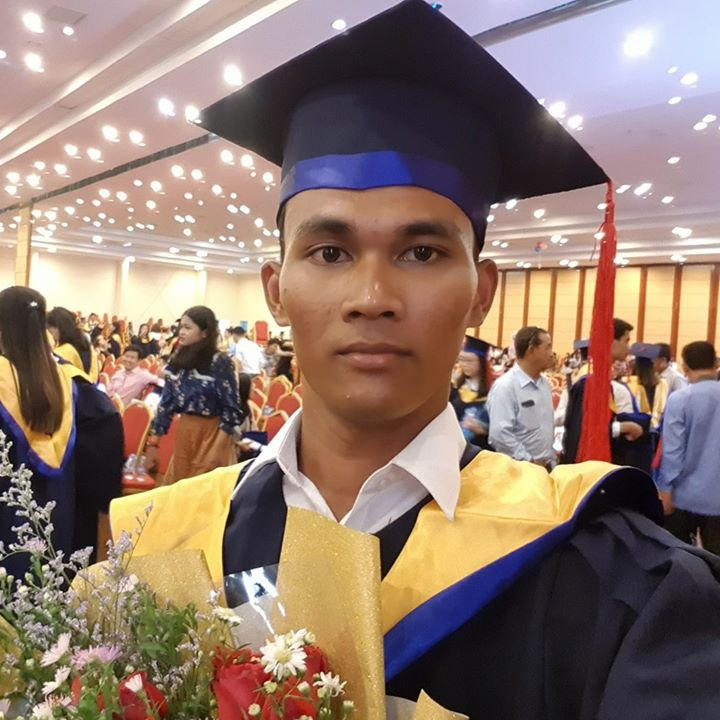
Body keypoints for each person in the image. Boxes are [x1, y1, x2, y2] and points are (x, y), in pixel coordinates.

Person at [110, 3, 720, 717]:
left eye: (422, 253)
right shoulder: (160, 546)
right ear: (276, 291)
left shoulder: (617, 586)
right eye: (329, 252)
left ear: (481, 293)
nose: (372, 298)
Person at [0, 287, 122, 574]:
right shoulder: (68, 380)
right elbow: (106, 431)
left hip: (7, 510)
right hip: (58, 510)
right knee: (47, 577)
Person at [148, 306, 244, 483]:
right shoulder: (178, 360)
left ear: (205, 332)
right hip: (185, 431)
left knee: (205, 487)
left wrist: (217, 450)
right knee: (180, 486)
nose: (181, 332)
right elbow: (166, 403)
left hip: (213, 434)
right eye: (181, 327)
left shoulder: (219, 362)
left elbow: (231, 409)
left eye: (188, 327)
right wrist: (153, 443)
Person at [657, 341, 720, 554]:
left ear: (684, 367)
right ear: (715, 363)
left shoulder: (680, 399)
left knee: (683, 559)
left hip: (685, 496)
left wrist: (666, 490)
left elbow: (672, 452)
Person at [564, 318, 647, 466]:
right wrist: (622, 427)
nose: (628, 348)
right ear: (611, 341)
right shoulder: (587, 383)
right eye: (626, 341)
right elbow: (582, 432)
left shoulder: (605, 382)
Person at [486, 326, 556, 469]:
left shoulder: (545, 385)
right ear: (531, 350)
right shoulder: (506, 386)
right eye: (547, 347)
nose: (551, 354)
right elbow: (499, 434)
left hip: (546, 466)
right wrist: (529, 461)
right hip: (520, 470)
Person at [449, 336, 493, 449]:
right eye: (462, 359)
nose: (464, 364)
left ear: (481, 362)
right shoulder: (454, 387)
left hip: (481, 449)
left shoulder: (492, 391)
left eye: (469, 361)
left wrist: (484, 431)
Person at [47, 306, 99, 382]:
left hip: (74, 387)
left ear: (58, 328)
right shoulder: (86, 342)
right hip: (90, 385)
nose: (52, 336)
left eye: (51, 332)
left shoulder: (63, 352)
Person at [626, 343, 668, 431]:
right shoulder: (662, 383)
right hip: (655, 429)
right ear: (652, 364)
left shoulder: (629, 382)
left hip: (634, 428)